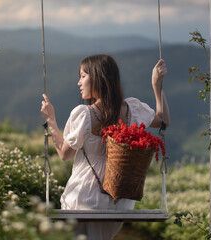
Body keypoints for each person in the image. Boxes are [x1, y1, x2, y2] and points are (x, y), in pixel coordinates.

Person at [40, 54, 170, 240]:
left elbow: (64, 153)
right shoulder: (132, 109)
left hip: (84, 197)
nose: (79, 82)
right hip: (119, 201)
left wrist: (50, 120)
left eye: (83, 76)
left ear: (97, 77)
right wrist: (157, 85)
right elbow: (163, 120)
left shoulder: (84, 114)